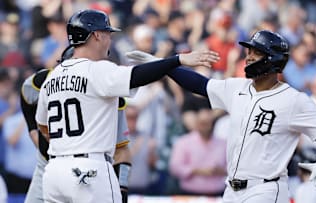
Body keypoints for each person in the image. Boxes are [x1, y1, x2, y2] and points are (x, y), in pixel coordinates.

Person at [126, 30, 316, 203]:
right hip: (231, 188)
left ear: (272, 60)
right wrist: (163, 65)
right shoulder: (237, 88)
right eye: (249, 51)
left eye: (255, 52)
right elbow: (199, 84)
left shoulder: (293, 99)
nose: (248, 57)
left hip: (266, 189)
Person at [34, 9, 219, 203]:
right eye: (107, 34)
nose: (110, 39)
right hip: (89, 169)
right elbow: (138, 75)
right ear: (96, 35)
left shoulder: (52, 77)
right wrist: (177, 60)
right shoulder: (97, 69)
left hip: (54, 171)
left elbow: (43, 127)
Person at [20, 48, 132, 203]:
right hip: (50, 164)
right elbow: (26, 92)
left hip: (72, 169)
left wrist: (122, 190)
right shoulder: (48, 78)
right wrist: (32, 129)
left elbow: (122, 150)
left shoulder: (109, 95)